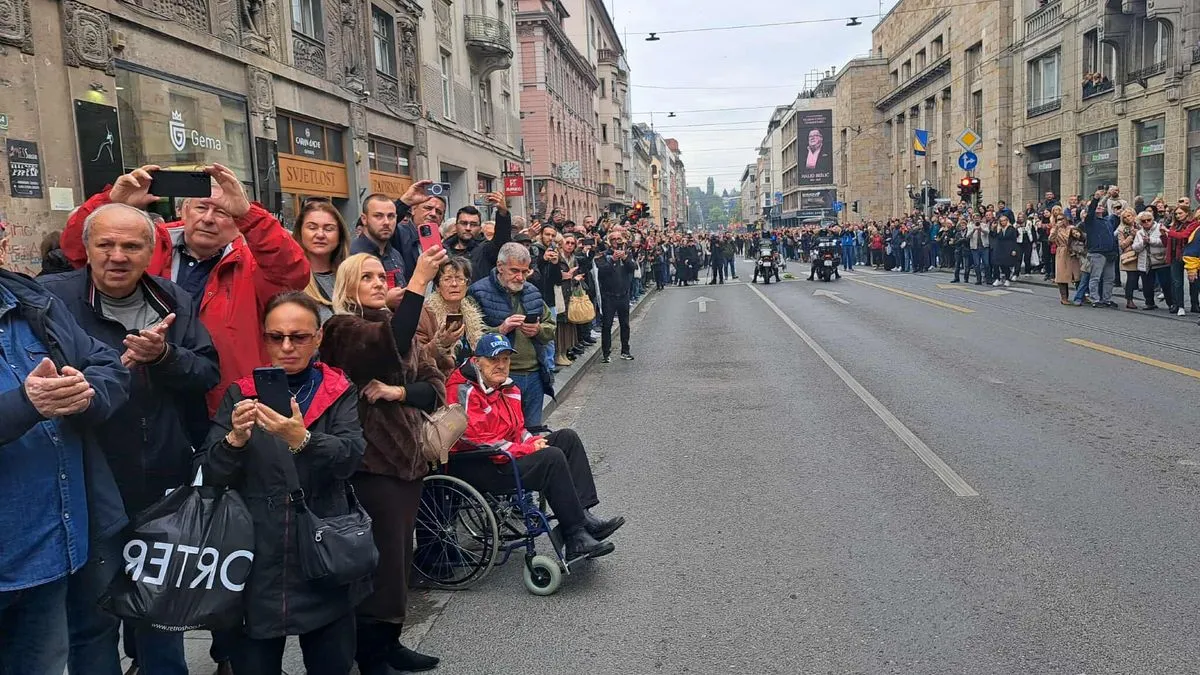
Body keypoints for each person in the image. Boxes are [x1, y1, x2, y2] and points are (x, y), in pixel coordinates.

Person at [39, 203, 220, 675]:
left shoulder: (173, 299)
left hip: (160, 485)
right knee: (93, 620)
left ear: (152, 251)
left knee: (160, 616)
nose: (117, 256)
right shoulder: (50, 299)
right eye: (106, 244)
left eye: (131, 245)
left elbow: (206, 372)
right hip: (87, 484)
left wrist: (165, 356)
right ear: (88, 249)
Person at [201, 292, 367, 675]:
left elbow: (352, 457)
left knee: (331, 664)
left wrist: (303, 439)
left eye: (299, 337)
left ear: (319, 338)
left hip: (323, 547)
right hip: (258, 554)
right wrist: (233, 442)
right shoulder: (241, 393)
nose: (287, 347)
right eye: (276, 337)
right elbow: (211, 474)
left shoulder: (338, 390)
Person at [61, 163, 310, 416]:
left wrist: (248, 214)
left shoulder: (253, 263)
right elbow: (77, 251)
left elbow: (293, 275)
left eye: (222, 211)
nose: (208, 218)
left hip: (227, 404)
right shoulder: (146, 244)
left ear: (237, 222)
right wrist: (111, 202)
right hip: (150, 399)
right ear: (183, 210)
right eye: (201, 207)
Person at [0, 242, 131, 675]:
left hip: (52, 548)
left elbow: (106, 363)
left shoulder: (32, 302)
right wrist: (26, 403)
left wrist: (86, 392)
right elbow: (30, 402)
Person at [319, 251, 447, 675]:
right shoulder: (341, 329)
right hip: (371, 464)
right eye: (366, 277)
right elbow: (384, 348)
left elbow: (434, 385)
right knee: (380, 560)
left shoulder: (396, 324)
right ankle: (371, 655)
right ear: (348, 285)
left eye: (380, 275)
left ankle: (389, 643)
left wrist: (401, 394)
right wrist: (419, 282)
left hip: (409, 461)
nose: (377, 282)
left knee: (399, 559)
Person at [446, 334, 623, 560]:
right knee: (551, 457)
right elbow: (477, 439)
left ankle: (583, 516)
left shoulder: (508, 388)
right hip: (481, 463)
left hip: (504, 455)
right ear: (477, 361)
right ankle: (575, 535)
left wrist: (530, 441)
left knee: (567, 438)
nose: (501, 365)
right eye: (494, 360)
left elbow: (519, 430)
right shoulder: (464, 390)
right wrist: (528, 449)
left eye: (506, 359)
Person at [467, 242, 555, 428]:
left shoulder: (532, 292)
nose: (520, 277)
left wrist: (538, 330)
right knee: (505, 433)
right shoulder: (478, 292)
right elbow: (471, 337)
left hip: (534, 376)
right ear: (500, 267)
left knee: (532, 433)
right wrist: (500, 330)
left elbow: (551, 327)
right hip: (499, 378)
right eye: (514, 270)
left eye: (525, 271)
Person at [417, 256, 487, 376]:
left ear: (467, 285)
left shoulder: (471, 313)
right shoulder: (425, 313)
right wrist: (441, 344)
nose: (454, 284)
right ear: (437, 287)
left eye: (460, 279)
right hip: (441, 381)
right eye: (447, 279)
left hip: (471, 382)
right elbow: (417, 358)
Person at [293, 199, 352, 323]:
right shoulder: (291, 282)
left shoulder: (351, 277)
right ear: (300, 232)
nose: (320, 234)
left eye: (329, 229)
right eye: (312, 228)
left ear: (340, 235)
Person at [596, 230, 637, 364]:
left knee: (624, 324)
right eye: (613, 239)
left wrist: (624, 258)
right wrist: (613, 259)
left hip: (624, 295)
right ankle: (606, 353)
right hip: (609, 296)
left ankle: (625, 350)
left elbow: (633, 268)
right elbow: (601, 272)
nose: (616, 241)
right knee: (607, 325)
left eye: (619, 239)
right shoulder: (603, 255)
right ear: (609, 241)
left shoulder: (627, 253)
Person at [351, 194, 406, 288]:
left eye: (391, 216)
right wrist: (386, 300)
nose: (386, 222)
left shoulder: (395, 255)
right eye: (378, 216)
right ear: (364, 219)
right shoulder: (352, 255)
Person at [1082, 188, 1119, 308]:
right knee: (1095, 277)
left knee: (1109, 278)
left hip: (1110, 253)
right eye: (1097, 207)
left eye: (1101, 207)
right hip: (1097, 252)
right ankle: (1095, 298)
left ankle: (1107, 299)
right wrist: (1098, 198)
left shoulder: (1107, 221)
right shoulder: (1090, 221)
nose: (1099, 207)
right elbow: (1092, 209)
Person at [1132, 210, 1173, 311]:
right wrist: (1143, 243)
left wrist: (1150, 241)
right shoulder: (1139, 232)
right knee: (1147, 285)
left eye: (1148, 220)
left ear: (1152, 219)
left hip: (1160, 260)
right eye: (1143, 221)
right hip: (1146, 262)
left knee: (1166, 284)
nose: (1146, 222)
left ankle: (1171, 304)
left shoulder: (1160, 228)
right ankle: (1149, 303)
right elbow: (1135, 247)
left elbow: (1165, 242)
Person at [1050, 215, 1081, 305]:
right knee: (1062, 275)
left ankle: (1081, 295)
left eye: (1062, 219)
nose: (1061, 221)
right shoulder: (1055, 229)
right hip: (1062, 252)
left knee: (1077, 275)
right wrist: (1056, 228)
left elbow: (1079, 236)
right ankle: (1064, 297)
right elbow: (1051, 239)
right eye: (1058, 219)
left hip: (1073, 251)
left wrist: (1076, 234)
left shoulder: (1071, 228)